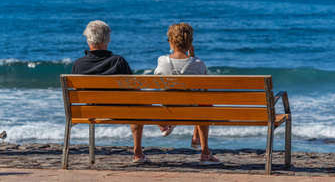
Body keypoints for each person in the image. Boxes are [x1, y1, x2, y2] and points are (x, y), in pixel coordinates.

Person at [71, 20, 146, 163]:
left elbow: (77, 92)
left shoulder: (78, 64)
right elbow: (135, 91)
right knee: (137, 104)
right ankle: (137, 153)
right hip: (117, 112)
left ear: (88, 40)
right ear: (108, 39)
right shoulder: (118, 61)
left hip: (89, 111)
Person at [154, 23, 222, 165]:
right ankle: (204, 150)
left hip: (168, 110)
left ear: (171, 42)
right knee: (204, 100)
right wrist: (193, 56)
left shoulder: (161, 61)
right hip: (193, 112)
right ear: (190, 43)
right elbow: (203, 89)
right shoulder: (199, 63)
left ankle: (168, 123)